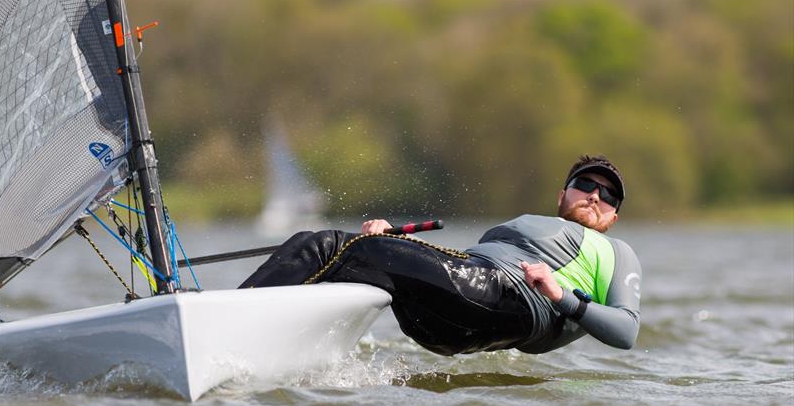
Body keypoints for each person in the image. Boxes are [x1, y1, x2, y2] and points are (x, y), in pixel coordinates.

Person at [240, 155, 641, 356]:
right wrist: (385, 243)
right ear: (562, 195)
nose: (595, 195)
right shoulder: (534, 224)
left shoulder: (615, 251)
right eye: (586, 184)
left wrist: (562, 297)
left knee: (325, 244)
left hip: (507, 300)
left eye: (608, 196)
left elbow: (626, 331)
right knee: (352, 253)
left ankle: (239, 319)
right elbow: (453, 271)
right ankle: (276, 343)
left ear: (615, 215)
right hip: (450, 319)